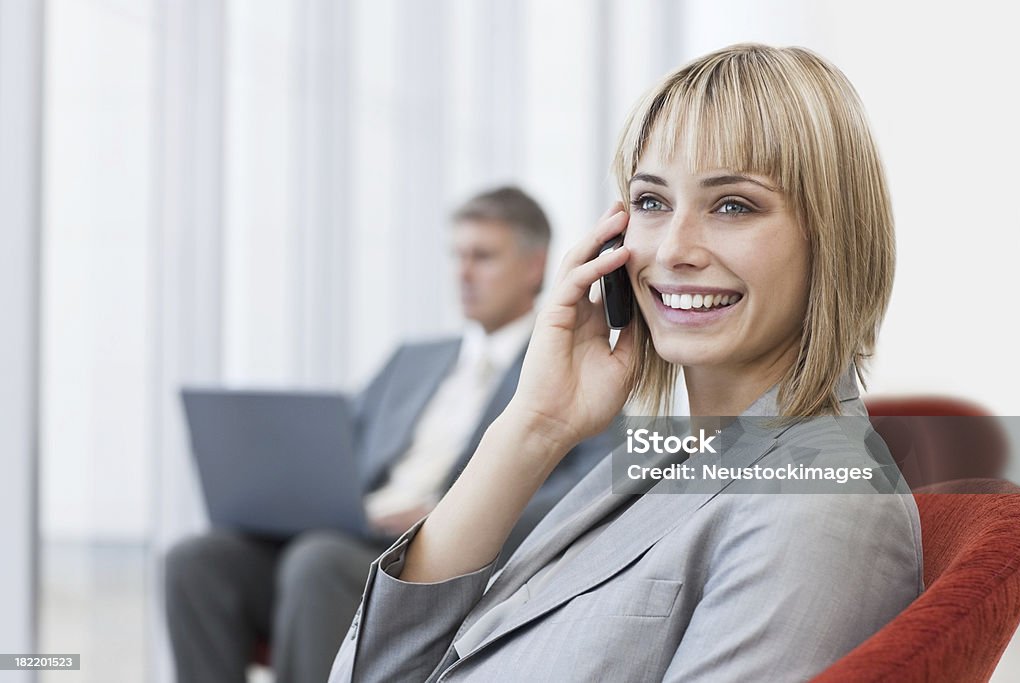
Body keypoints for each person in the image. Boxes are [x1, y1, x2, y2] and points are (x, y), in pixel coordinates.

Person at [327, 44, 923, 682]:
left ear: (834, 239)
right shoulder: (659, 460)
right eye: (651, 202)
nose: (673, 249)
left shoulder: (824, 504)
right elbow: (379, 672)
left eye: (733, 206)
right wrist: (534, 426)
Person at [164, 186, 617, 683]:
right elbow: (337, 448)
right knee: (196, 560)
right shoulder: (413, 359)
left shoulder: (570, 368)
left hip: (422, 554)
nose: (462, 273)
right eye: (457, 256)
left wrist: (448, 514)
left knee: (316, 561)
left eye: (482, 257)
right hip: (349, 532)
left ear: (535, 267)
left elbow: (581, 489)